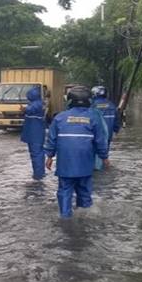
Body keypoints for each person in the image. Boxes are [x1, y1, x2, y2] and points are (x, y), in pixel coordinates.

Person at [44, 86, 110, 218]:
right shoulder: (94, 118)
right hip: (85, 163)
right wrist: (104, 157)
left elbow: (51, 139)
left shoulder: (59, 118)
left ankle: (65, 217)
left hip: (65, 164)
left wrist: (49, 156)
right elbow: (100, 140)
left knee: (64, 190)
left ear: (70, 101)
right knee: (84, 191)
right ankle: (84, 218)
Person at [20, 86, 46, 180]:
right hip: (35, 133)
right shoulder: (37, 103)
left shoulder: (36, 104)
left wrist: (24, 110)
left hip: (35, 133)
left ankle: (38, 175)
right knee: (36, 153)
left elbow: (30, 110)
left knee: (36, 154)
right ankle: (39, 173)